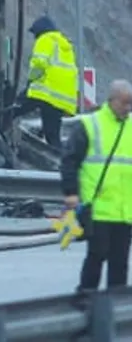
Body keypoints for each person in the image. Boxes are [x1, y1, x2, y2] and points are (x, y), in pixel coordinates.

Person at [60, 79, 132, 292]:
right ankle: (86, 297)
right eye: (125, 103)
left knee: (119, 263)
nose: (128, 108)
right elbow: (69, 160)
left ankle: (116, 310)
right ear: (111, 101)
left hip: (125, 210)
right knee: (97, 256)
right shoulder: (90, 125)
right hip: (97, 208)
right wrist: (71, 192)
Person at [18, 15, 78, 149]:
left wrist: (30, 82)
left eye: (35, 34)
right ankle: (60, 163)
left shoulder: (45, 40)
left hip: (44, 92)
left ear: (40, 31)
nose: (35, 37)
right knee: (53, 136)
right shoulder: (64, 45)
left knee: (14, 108)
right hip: (61, 98)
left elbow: (39, 65)